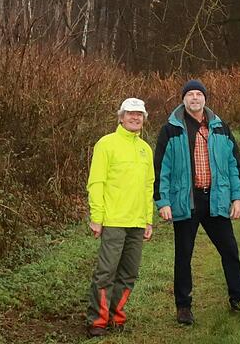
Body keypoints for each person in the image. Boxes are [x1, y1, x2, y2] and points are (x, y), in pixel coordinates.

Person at [154, 79, 240, 325]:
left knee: (230, 250)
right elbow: (161, 168)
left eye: (199, 94)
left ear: (205, 99)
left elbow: (234, 165)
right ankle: (183, 307)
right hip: (186, 201)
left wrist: (237, 197)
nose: (195, 98)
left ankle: (239, 299)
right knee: (183, 255)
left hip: (216, 200)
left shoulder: (220, 127)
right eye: (190, 94)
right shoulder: (171, 129)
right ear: (183, 99)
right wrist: (163, 201)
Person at [85, 98, 155, 337]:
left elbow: (148, 187)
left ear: (144, 119)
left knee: (129, 273)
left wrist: (148, 220)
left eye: (139, 115)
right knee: (106, 272)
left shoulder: (145, 149)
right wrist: (97, 217)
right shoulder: (106, 144)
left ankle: (117, 315)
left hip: (136, 222)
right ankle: (98, 320)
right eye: (131, 114)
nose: (135, 118)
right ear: (121, 117)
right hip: (114, 221)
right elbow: (96, 182)